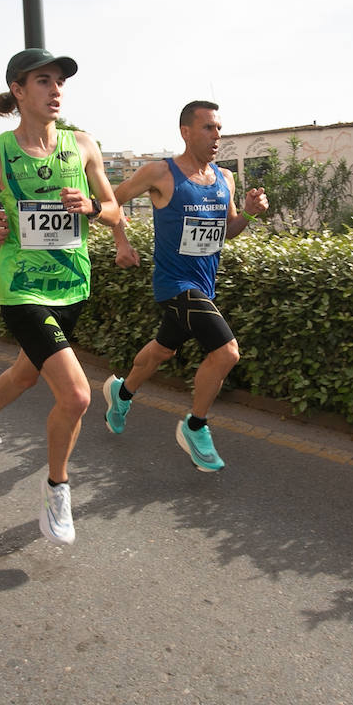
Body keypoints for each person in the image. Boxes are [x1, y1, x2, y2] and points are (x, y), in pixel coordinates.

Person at [0, 48, 119, 545]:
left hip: (72, 285)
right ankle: (57, 491)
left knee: (24, 374)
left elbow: (113, 210)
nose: (56, 89)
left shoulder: (82, 145)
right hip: (21, 286)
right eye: (43, 81)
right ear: (19, 92)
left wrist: (90, 205)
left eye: (60, 81)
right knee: (78, 394)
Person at [103, 101, 267, 471]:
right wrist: (122, 243)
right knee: (227, 352)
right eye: (208, 127)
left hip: (203, 286)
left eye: (219, 128)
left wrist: (249, 215)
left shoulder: (225, 179)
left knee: (163, 351)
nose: (217, 136)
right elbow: (110, 202)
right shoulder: (160, 173)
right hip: (174, 284)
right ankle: (195, 426)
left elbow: (226, 232)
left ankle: (121, 392)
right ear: (186, 132)